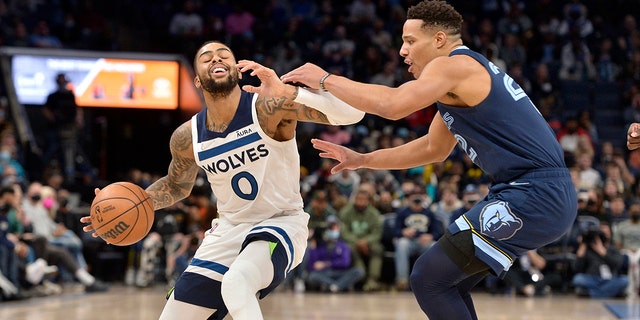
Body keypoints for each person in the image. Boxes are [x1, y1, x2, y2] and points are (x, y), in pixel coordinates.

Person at [267, 1, 577, 318]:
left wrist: (326, 79)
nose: (403, 51)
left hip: (534, 192)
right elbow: (432, 148)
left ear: (439, 39)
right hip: (535, 192)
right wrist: (363, 159)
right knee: (445, 283)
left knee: (429, 279)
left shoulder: (454, 65)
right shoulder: (457, 83)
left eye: (410, 41)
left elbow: (395, 104)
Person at [81, 41, 364, 320]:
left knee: (237, 284)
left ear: (238, 71)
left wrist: (294, 91)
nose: (216, 59)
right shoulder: (186, 136)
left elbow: (354, 113)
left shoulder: (269, 107)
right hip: (228, 230)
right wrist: (124, 206)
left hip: (281, 222)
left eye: (224, 55)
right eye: (207, 58)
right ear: (197, 80)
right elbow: (176, 185)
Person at [305, 215, 365, 293]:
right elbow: (312, 266)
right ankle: (338, 286)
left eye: (335, 227)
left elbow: (345, 263)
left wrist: (326, 264)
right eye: (330, 227)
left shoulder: (343, 245)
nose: (333, 230)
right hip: (325, 273)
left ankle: (334, 286)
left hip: (340, 273)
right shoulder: (320, 245)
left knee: (358, 271)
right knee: (312, 276)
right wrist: (313, 247)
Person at [42, 72, 83, 182]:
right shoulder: (53, 96)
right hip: (55, 129)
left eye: (63, 80)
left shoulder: (70, 95)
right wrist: (54, 119)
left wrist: (78, 120)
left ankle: (71, 175)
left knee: (73, 151)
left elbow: (77, 109)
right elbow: (45, 110)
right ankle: (43, 171)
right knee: (51, 150)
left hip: (69, 129)